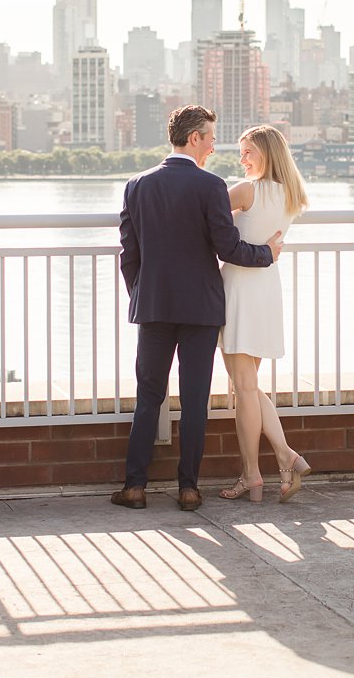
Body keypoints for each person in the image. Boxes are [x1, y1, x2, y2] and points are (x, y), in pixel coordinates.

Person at [112, 105, 285, 512]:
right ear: (194, 139)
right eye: (209, 137)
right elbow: (227, 246)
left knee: (148, 396)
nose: (212, 146)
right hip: (201, 307)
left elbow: (128, 252)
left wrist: (141, 292)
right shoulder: (210, 186)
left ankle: (134, 487)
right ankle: (188, 488)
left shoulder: (137, 185)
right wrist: (267, 254)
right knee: (194, 398)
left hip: (153, 305)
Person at [218, 124, 313, 503]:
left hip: (240, 288)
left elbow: (204, 217)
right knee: (250, 386)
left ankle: (253, 475)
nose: (241, 159)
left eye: (248, 152)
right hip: (266, 289)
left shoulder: (247, 190)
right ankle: (285, 458)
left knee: (244, 388)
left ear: (267, 153)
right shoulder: (291, 195)